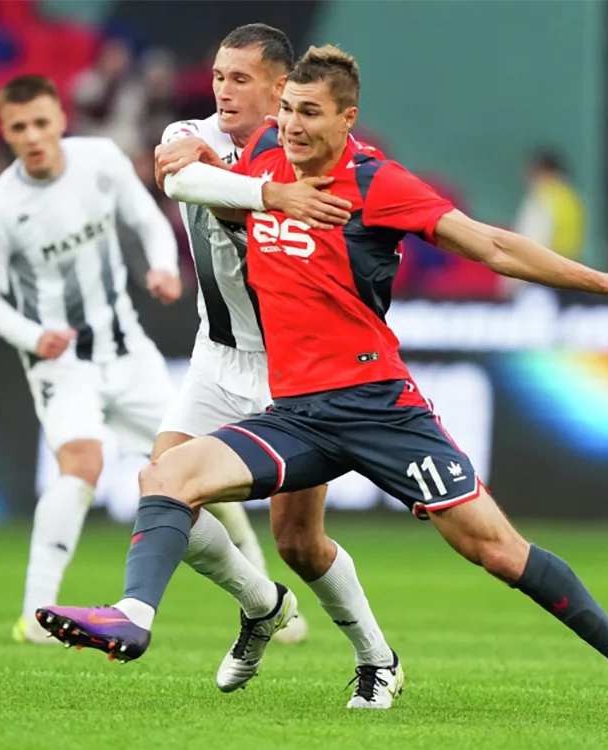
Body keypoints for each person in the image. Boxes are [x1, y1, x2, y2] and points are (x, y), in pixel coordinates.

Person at [38, 46, 608, 725]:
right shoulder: (264, 161)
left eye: (310, 113)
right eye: (288, 111)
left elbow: (493, 246)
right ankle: (134, 616)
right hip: (296, 414)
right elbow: (226, 203)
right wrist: (209, 165)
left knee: (498, 551)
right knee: (166, 477)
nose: (292, 126)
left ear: (347, 118)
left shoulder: (377, 183)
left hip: (378, 407)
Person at [150, 23, 403, 708]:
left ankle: (376, 656)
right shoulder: (190, 132)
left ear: (280, 88)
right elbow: (177, 175)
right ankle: (262, 603)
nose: (224, 90)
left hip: (293, 368)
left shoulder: (307, 158)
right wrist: (259, 191)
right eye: (218, 76)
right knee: (162, 487)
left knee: (298, 540)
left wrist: (266, 187)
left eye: (241, 79)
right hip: (216, 355)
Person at [0, 75, 184, 646]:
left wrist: (163, 267)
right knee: (83, 462)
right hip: (60, 362)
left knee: (191, 466)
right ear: (6, 132)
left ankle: (264, 598)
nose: (33, 136)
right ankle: (34, 615)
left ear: (61, 119)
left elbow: (148, 219)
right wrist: (34, 335)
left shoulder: (101, 160)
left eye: (41, 122)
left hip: (127, 347)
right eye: (19, 127)